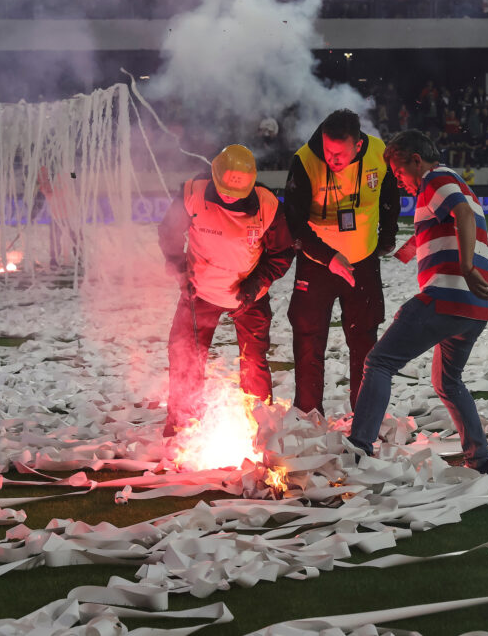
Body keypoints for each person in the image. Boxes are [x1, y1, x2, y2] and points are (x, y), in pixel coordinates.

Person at [347, 130, 488, 473]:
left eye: (400, 172)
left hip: (446, 297)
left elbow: (461, 216)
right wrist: (398, 252)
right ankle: (482, 459)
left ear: (417, 160)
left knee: (379, 362)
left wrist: (465, 265)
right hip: (473, 309)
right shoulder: (458, 182)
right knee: (448, 382)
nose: (400, 182)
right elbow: (439, 227)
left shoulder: (435, 180)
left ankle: (358, 448)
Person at [158, 144, 294, 437]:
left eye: (238, 193)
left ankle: (260, 427)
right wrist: (181, 272)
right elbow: (168, 232)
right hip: (199, 293)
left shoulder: (267, 204)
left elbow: (282, 252)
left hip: (249, 296)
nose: (231, 196)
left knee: (254, 361)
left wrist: (256, 284)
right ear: (214, 177)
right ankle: (183, 425)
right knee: (185, 356)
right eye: (225, 190)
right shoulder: (193, 193)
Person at [284, 109, 400, 416]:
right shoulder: (305, 161)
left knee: (364, 340)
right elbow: (294, 224)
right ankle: (308, 416)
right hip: (316, 263)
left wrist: (388, 237)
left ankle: (364, 418)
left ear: (358, 146)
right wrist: (328, 256)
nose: (332, 159)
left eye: (339, 154)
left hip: (362, 261)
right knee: (309, 339)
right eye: (327, 151)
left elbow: (390, 197)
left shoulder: (378, 153)